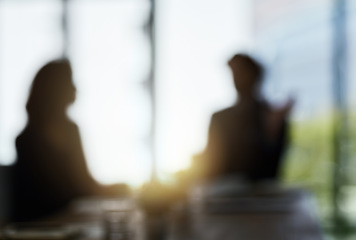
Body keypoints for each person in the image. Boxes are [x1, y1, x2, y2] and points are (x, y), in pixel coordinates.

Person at [12, 59, 125, 221]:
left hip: (71, 223)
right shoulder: (26, 141)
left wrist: (117, 189)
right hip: (38, 228)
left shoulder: (72, 130)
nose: (75, 88)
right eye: (70, 82)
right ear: (53, 89)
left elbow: (84, 183)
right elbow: (40, 200)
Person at [203, 54, 293, 182]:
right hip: (224, 194)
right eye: (234, 73)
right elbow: (211, 164)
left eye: (241, 73)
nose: (237, 78)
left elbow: (272, 167)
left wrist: (272, 131)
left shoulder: (272, 117)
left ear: (256, 76)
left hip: (261, 195)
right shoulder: (220, 118)